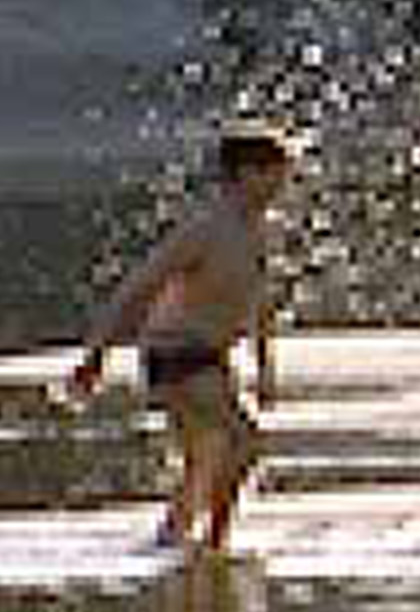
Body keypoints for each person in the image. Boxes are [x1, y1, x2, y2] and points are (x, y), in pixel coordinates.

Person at [61, 126, 301, 553]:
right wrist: (95, 356)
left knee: (201, 466)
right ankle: (215, 543)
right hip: (176, 353)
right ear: (245, 174)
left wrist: (266, 370)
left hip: (214, 356)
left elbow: (262, 306)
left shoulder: (263, 232)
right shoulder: (205, 230)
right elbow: (139, 288)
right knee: (245, 442)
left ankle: (171, 544)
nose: (282, 184)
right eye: (274, 174)